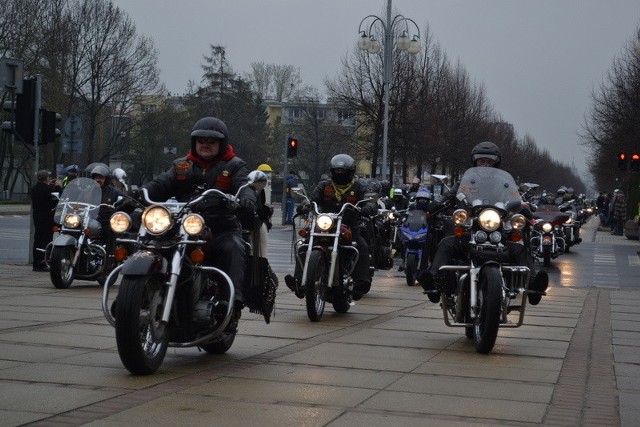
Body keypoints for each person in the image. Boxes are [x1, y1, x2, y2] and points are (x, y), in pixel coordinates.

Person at [139, 116, 256, 327]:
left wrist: (247, 198)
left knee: (234, 247)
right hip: (183, 227)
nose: (205, 145)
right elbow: (161, 184)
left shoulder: (234, 165)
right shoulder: (182, 166)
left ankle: (232, 305)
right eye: (201, 140)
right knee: (150, 243)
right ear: (194, 142)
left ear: (221, 143)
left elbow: (243, 186)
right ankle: (136, 293)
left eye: (211, 141)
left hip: (220, 227)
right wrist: (141, 192)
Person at [417, 141, 549, 305]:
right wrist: (438, 204)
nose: (485, 164)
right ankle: (435, 281)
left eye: (489, 161)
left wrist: (526, 211)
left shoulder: (504, 182)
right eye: (481, 161)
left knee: (520, 249)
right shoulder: (465, 182)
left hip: (498, 232)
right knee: (447, 243)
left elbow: (516, 198)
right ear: (475, 162)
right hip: (470, 231)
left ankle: (533, 285)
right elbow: (452, 195)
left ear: (495, 162)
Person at [284, 154, 376, 301]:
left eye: (342, 170)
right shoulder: (324, 185)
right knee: (304, 244)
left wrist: (368, 208)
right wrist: (305, 205)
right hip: (325, 222)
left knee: (361, 245)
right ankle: (298, 280)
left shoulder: (358, 186)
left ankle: (361, 282)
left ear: (350, 171)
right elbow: (313, 199)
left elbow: (369, 201)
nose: (339, 173)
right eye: (337, 170)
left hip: (349, 224)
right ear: (332, 171)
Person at [30, 170, 61, 271]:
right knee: (47, 240)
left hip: (37, 216)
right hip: (48, 217)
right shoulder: (50, 189)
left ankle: (36, 263)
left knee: (37, 239)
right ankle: (44, 262)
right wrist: (57, 186)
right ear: (47, 178)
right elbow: (59, 197)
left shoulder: (33, 189)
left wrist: (50, 186)